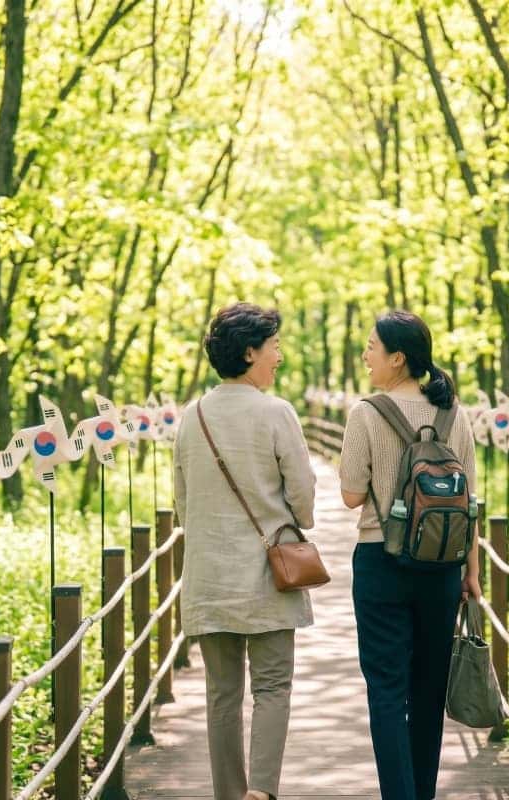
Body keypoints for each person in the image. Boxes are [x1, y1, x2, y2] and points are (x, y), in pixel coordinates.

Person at [173, 302, 316, 800]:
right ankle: (262, 792)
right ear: (251, 351)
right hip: (268, 577)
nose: (278, 356)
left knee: (222, 696)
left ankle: (229, 795)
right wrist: (298, 524)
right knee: (273, 688)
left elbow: (182, 502)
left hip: (209, 577)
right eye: (274, 346)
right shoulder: (276, 412)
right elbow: (302, 489)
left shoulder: (192, 416)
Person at [339, 309, 481, 800]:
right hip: (443, 566)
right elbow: (471, 503)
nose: (365, 355)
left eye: (372, 347)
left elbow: (352, 495)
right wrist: (472, 574)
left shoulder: (366, 413)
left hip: (381, 561)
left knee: (385, 690)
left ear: (397, 358)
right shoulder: (452, 412)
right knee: (427, 692)